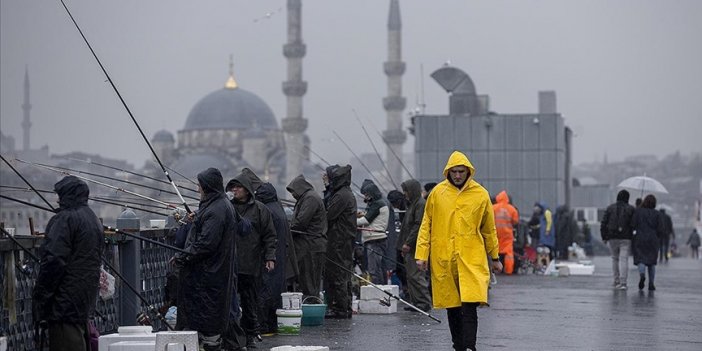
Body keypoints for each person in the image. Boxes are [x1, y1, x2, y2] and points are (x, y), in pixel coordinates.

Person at [415, 151, 502, 351]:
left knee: (470, 304)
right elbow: (426, 225)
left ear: (468, 171)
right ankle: (459, 345)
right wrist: (421, 254)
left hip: (471, 256)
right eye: (453, 171)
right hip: (444, 256)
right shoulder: (438, 193)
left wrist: (495, 256)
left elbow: (489, 228)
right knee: (452, 306)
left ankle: (470, 345)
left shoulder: (480, 194)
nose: (457, 175)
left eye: (461, 171)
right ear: (448, 171)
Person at [32, 176, 104, 351]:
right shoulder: (92, 219)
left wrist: (41, 300)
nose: (57, 199)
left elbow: (53, 262)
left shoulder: (64, 219)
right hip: (84, 301)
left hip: (63, 305)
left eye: (60, 195)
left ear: (67, 196)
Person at [174, 168, 238, 351]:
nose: (197, 189)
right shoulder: (219, 205)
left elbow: (205, 245)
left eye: (199, 185)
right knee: (207, 321)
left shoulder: (216, 209)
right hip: (211, 275)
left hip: (207, 277)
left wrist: (182, 256)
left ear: (207, 186)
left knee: (208, 323)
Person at [226, 173, 277, 348]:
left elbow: (270, 235)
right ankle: (232, 338)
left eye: (238, 187)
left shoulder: (260, 209)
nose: (234, 190)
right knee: (229, 304)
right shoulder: (228, 207)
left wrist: (270, 257)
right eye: (233, 187)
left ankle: (250, 336)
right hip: (230, 264)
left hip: (251, 264)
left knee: (249, 303)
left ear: (247, 190)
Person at [322, 164, 357, 319]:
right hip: (344, 241)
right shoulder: (345, 193)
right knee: (344, 274)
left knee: (338, 274)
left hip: (338, 241)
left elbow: (329, 215)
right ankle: (344, 307)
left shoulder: (341, 196)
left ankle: (340, 308)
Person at [287, 174, 328, 300]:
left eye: (293, 191)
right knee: (306, 280)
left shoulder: (310, 198)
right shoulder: (307, 197)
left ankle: (311, 306)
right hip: (309, 245)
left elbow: (301, 222)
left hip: (311, 246)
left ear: (299, 188)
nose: (293, 195)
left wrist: (287, 231)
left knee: (309, 281)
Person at [398, 179, 432, 312]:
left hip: (415, 246)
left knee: (416, 275)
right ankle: (416, 302)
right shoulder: (414, 204)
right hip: (410, 246)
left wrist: (408, 243)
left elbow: (418, 226)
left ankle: (424, 302)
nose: (405, 194)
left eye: (406, 191)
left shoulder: (420, 204)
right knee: (411, 275)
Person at [600, 190, 635, 290]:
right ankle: (623, 283)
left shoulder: (610, 208)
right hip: (626, 238)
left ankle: (616, 281)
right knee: (624, 259)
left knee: (615, 259)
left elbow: (603, 223)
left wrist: (604, 237)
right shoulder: (631, 209)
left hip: (612, 237)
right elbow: (634, 224)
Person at [357, 181, 390, 285]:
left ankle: (378, 290)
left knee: (374, 269)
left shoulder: (377, 204)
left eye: (366, 195)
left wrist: (350, 221)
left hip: (375, 240)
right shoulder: (379, 203)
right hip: (376, 239)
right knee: (378, 267)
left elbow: (366, 220)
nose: (365, 197)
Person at [631, 194, 664, 291]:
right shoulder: (657, 214)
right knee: (651, 262)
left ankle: (642, 275)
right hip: (653, 240)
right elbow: (661, 229)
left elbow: (632, 224)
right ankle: (651, 283)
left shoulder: (638, 212)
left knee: (641, 259)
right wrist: (657, 237)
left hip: (640, 238)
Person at [493, 190, 519, 274]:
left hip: (495, 234)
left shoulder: (493, 207)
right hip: (507, 234)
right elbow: (515, 221)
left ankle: (494, 270)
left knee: (494, 252)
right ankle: (508, 270)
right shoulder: (512, 209)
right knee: (508, 253)